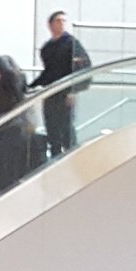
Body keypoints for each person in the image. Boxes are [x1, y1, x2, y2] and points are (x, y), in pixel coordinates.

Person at [34, 10, 93, 159]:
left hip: (66, 94)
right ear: (50, 25)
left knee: (66, 130)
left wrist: (74, 90)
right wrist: (32, 86)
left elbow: (84, 68)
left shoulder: (72, 44)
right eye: (58, 21)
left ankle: (71, 159)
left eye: (63, 21)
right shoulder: (47, 48)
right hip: (51, 94)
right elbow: (48, 72)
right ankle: (54, 160)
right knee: (52, 131)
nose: (61, 24)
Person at [0, 55, 37, 197]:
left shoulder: (0, 90)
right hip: (14, 135)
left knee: (4, 172)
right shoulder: (19, 86)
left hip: (4, 136)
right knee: (10, 171)